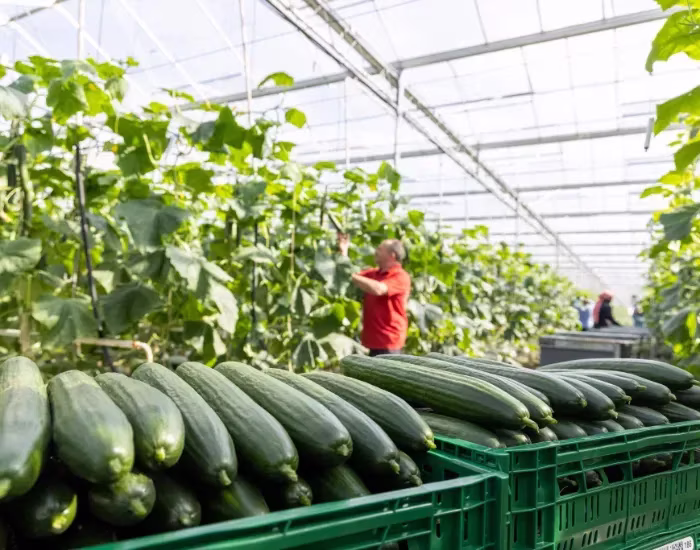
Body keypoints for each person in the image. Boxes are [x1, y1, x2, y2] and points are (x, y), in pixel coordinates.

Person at [338, 234, 411, 357]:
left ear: (392, 255)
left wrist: (352, 276)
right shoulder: (374, 273)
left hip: (389, 341)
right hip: (373, 340)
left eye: (380, 249)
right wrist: (343, 251)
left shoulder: (401, 276)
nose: (376, 252)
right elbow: (349, 273)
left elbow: (379, 289)